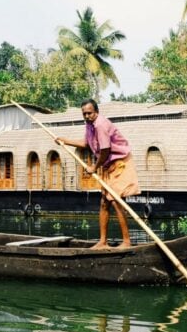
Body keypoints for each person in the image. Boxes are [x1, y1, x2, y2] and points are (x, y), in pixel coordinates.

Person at [56, 99, 140, 250]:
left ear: (96, 112)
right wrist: (65, 141)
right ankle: (103, 242)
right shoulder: (89, 125)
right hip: (108, 165)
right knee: (104, 202)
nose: (87, 116)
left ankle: (126, 242)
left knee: (116, 200)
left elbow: (105, 150)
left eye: (90, 113)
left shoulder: (100, 124)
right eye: (84, 114)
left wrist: (94, 167)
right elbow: (87, 144)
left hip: (120, 163)